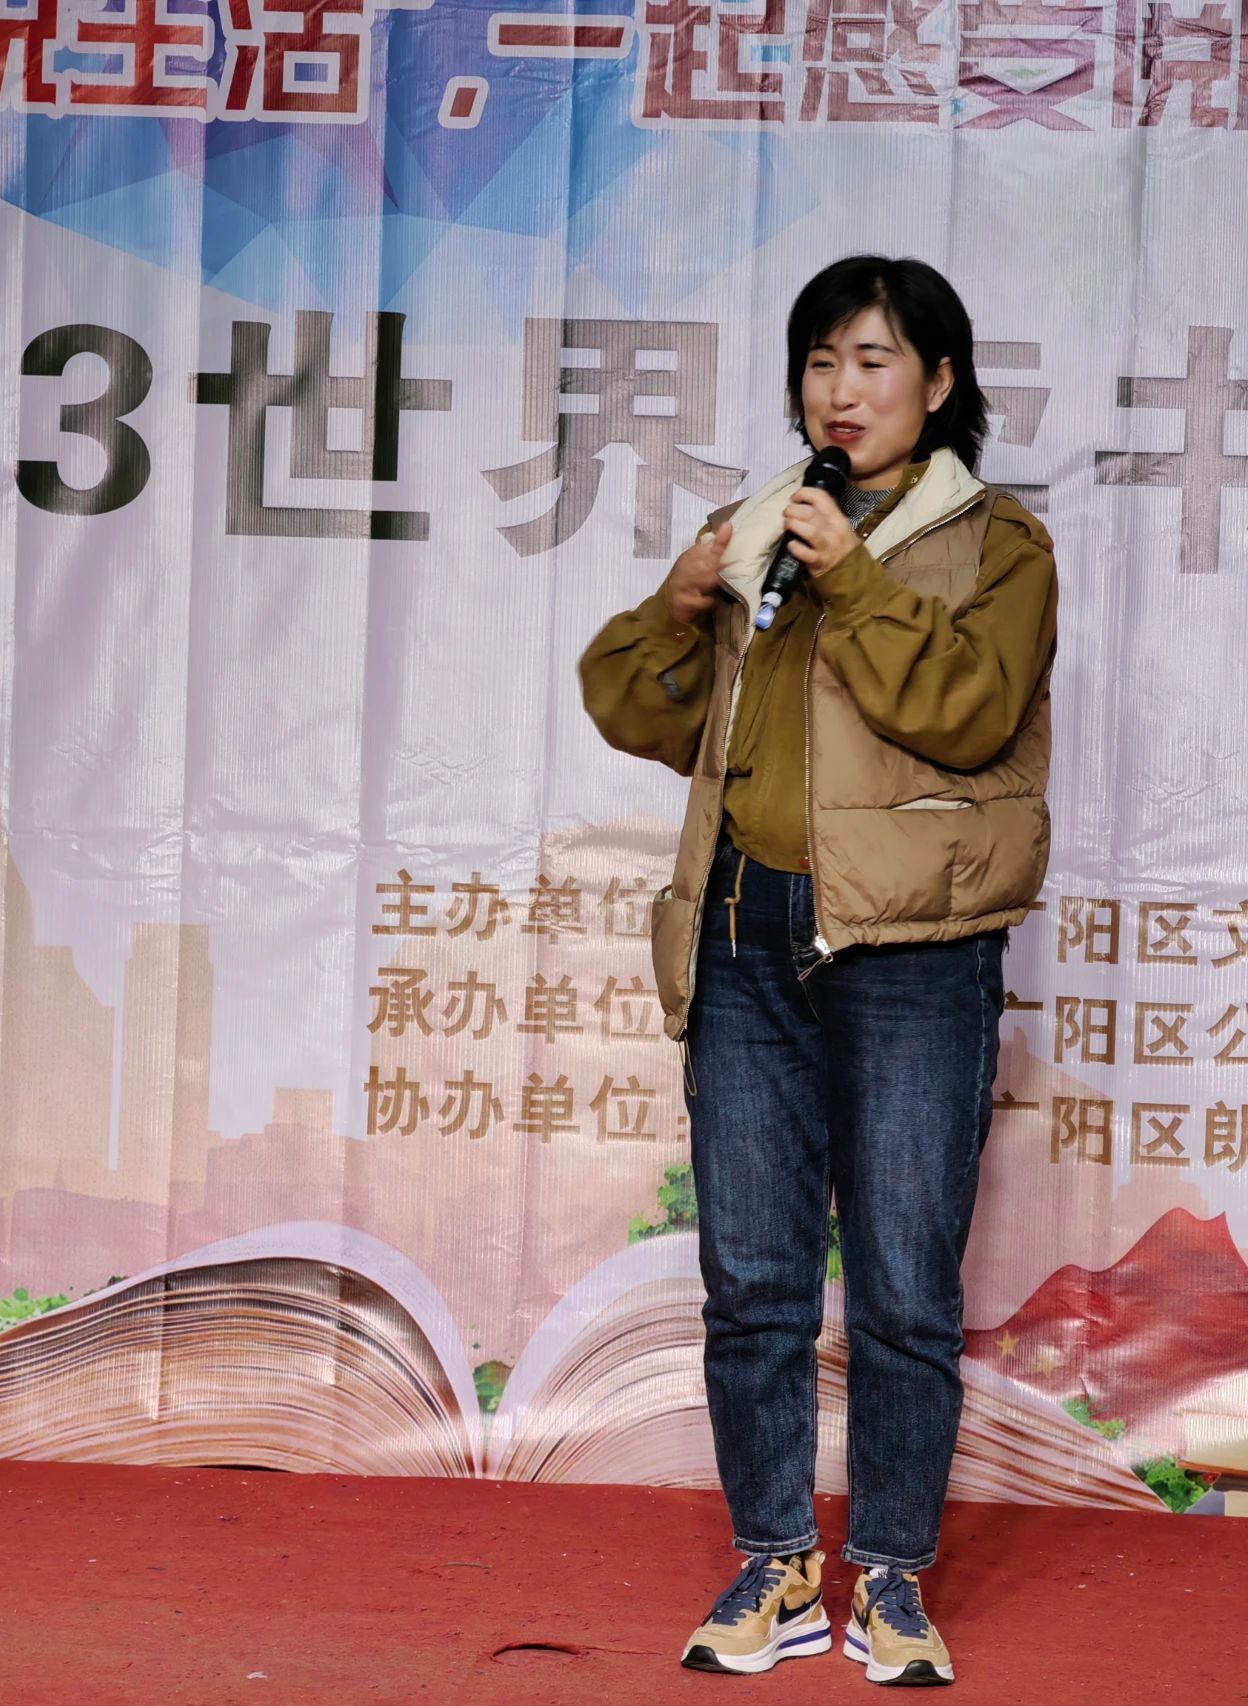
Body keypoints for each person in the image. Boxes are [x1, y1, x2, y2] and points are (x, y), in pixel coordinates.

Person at [578, 255, 1057, 1687]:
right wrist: (678, 604)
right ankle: (777, 1562)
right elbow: (640, 712)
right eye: (820, 363)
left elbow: (969, 714)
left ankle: (891, 1576)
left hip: (910, 952)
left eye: (873, 362)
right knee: (753, 1278)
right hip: (744, 932)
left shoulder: (1000, 544)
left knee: (904, 1283)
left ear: (941, 383)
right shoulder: (761, 531)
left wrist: (852, 583)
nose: (840, 393)